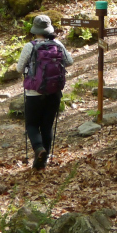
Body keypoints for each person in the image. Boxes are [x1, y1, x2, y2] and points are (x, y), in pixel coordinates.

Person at [16, 14, 73, 170]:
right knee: (47, 126)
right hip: (54, 92)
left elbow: (19, 68)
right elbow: (69, 61)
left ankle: (39, 148)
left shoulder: (30, 46)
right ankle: (43, 161)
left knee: (32, 125)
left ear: (35, 30)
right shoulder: (57, 44)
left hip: (34, 93)